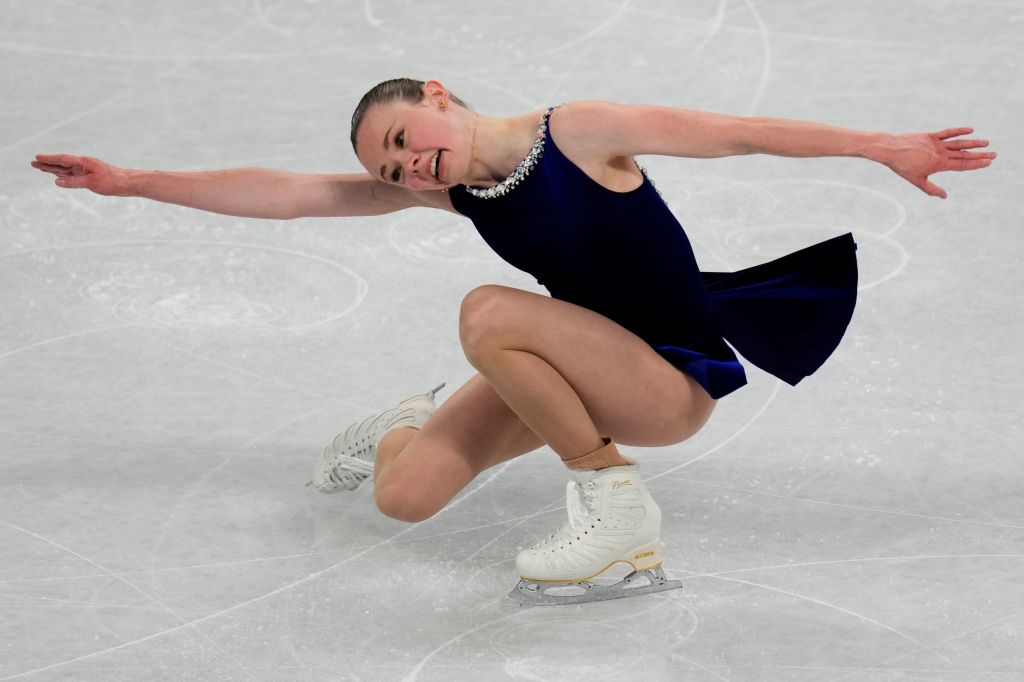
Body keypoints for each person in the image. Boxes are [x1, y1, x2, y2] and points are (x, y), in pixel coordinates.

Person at [31, 78, 996, 606]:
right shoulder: (451, 188)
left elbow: (732, 132)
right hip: (569, 361)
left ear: (441, 97)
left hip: (666, 380)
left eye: (405, 138)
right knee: (405, 498)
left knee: (489, 312)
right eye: (391, 167)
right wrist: (133, 181)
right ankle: (410, 424)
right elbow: (293, 193)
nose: (408, 167)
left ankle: (616, 512)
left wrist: (880, 144)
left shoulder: (578, 131)